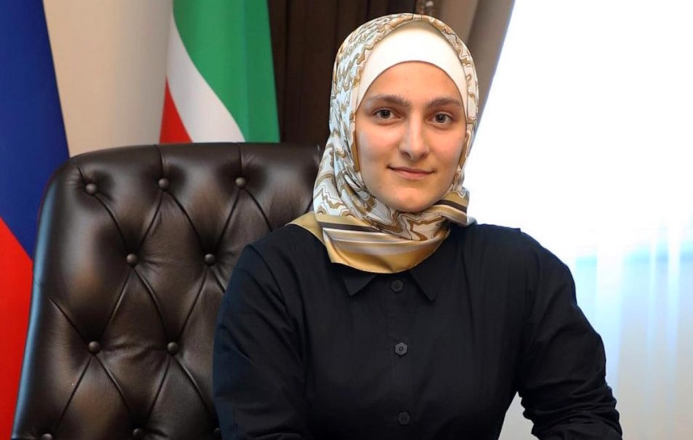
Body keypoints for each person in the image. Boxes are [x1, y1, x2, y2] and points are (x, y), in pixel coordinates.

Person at [213, 13, 621, 440]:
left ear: (466, 133)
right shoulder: (272, 275)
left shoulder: (520, 270)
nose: (415, 145)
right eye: (386, 113)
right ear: (347, 124)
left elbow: (585, 417)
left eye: (441, 118)